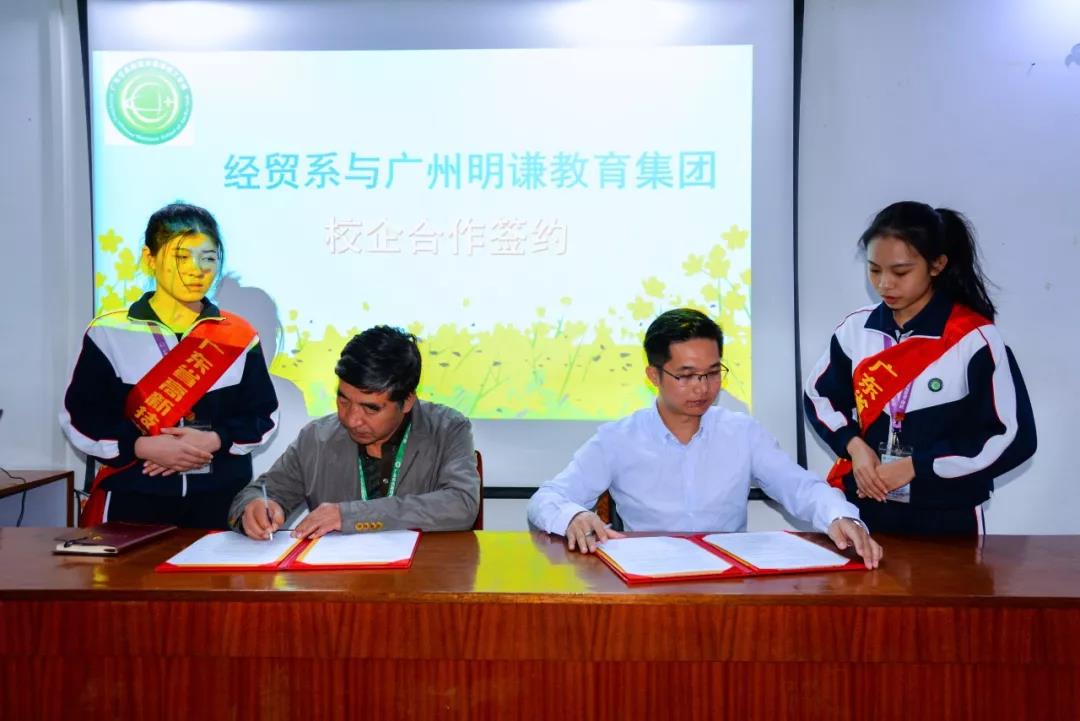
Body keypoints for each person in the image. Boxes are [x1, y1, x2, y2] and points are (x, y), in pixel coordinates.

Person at [527, 308, 882, 568]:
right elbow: (547, 499)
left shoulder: (742, 433)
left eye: (713, 373)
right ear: (653, 375)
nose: (702, 387)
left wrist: (841, 517)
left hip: (728, 585)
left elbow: (801, 488)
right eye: (686, 375)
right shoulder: (618, 439)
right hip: (649, 582)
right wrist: (572, 516)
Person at [804, 201, 1036, 535]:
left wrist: (918, 466)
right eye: (874, 270)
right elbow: (819, 397)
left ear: (937, 265)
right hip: (867, 506)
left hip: (946, 515)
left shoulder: (973, 339)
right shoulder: (856, 330)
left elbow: (1012, 437)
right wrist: (854, 446)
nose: (885, 284)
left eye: (900, 272)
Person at [61, 203, 279, 528]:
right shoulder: (109, 333)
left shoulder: (239, 335)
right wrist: (142, 446)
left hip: (219, 502)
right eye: (181, 257)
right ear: (149, 258)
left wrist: (216, 439)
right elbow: (80, 418)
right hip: (133, 501)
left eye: (208, 258)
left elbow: (264, 416)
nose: (197, 270)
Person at [229, 325, 480, 539]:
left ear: (407, 402)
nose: (351, 419)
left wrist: (349, 516)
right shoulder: (316, 438)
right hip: (340, 579)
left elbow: (461, 505)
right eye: (343, 400)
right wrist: (254, 508)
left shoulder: (447, 429)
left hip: (420, 575)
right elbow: (257, 493)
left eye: (370, 408)